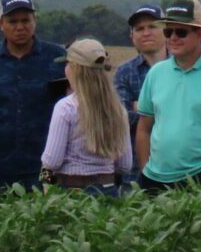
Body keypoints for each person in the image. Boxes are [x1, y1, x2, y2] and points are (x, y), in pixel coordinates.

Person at [135, 0, 201, 191]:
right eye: (168, 31)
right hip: (155, 179)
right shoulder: (156, 73)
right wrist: (144, 169)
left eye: (181, 32)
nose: (173, 38)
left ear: (199, 33)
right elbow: (144, 128)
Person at [0, 0, 66, 190]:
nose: (20, 27)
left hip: (46, 164)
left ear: (35, 21)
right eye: (12, 21)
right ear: (1, 23)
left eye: (25, 20)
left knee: (45, 215)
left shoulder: (58, 58)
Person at [40, 39, 132, 195]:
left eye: (67, 64)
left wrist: (45, 182)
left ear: (74, 68)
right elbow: (125, 165)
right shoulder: (118, 110)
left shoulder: (66, 107)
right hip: (108, 190)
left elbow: (52, 161)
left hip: (72, 191)